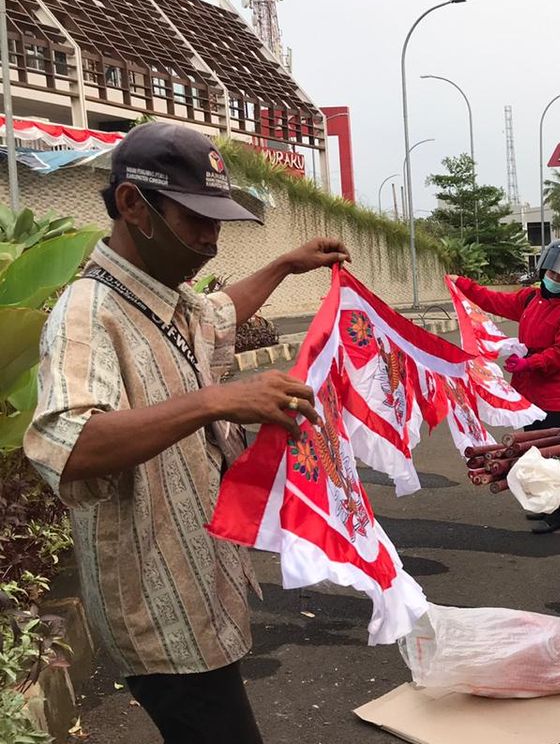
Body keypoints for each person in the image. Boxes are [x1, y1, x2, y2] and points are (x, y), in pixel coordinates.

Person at [24, 123, 350, 744]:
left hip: (198, 587)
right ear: (131, 205)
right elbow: (68, 447)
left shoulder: (167, 300)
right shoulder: (90, 312)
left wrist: (285, 264)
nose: (210, 239)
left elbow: (220, 312)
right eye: (195, 218)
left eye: (218, 221)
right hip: (157, 605)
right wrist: (214, 401)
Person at [456, 239, 560, 534]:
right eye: (552, 273)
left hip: (554, 397)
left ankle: (559, 513)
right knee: (530, 452)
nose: (555, 279)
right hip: (526, 393)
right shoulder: (530, 299)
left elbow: (559, 354)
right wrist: (462, 285)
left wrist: (529, 363)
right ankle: (544, 503)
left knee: (550, 455)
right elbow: (493, 301)